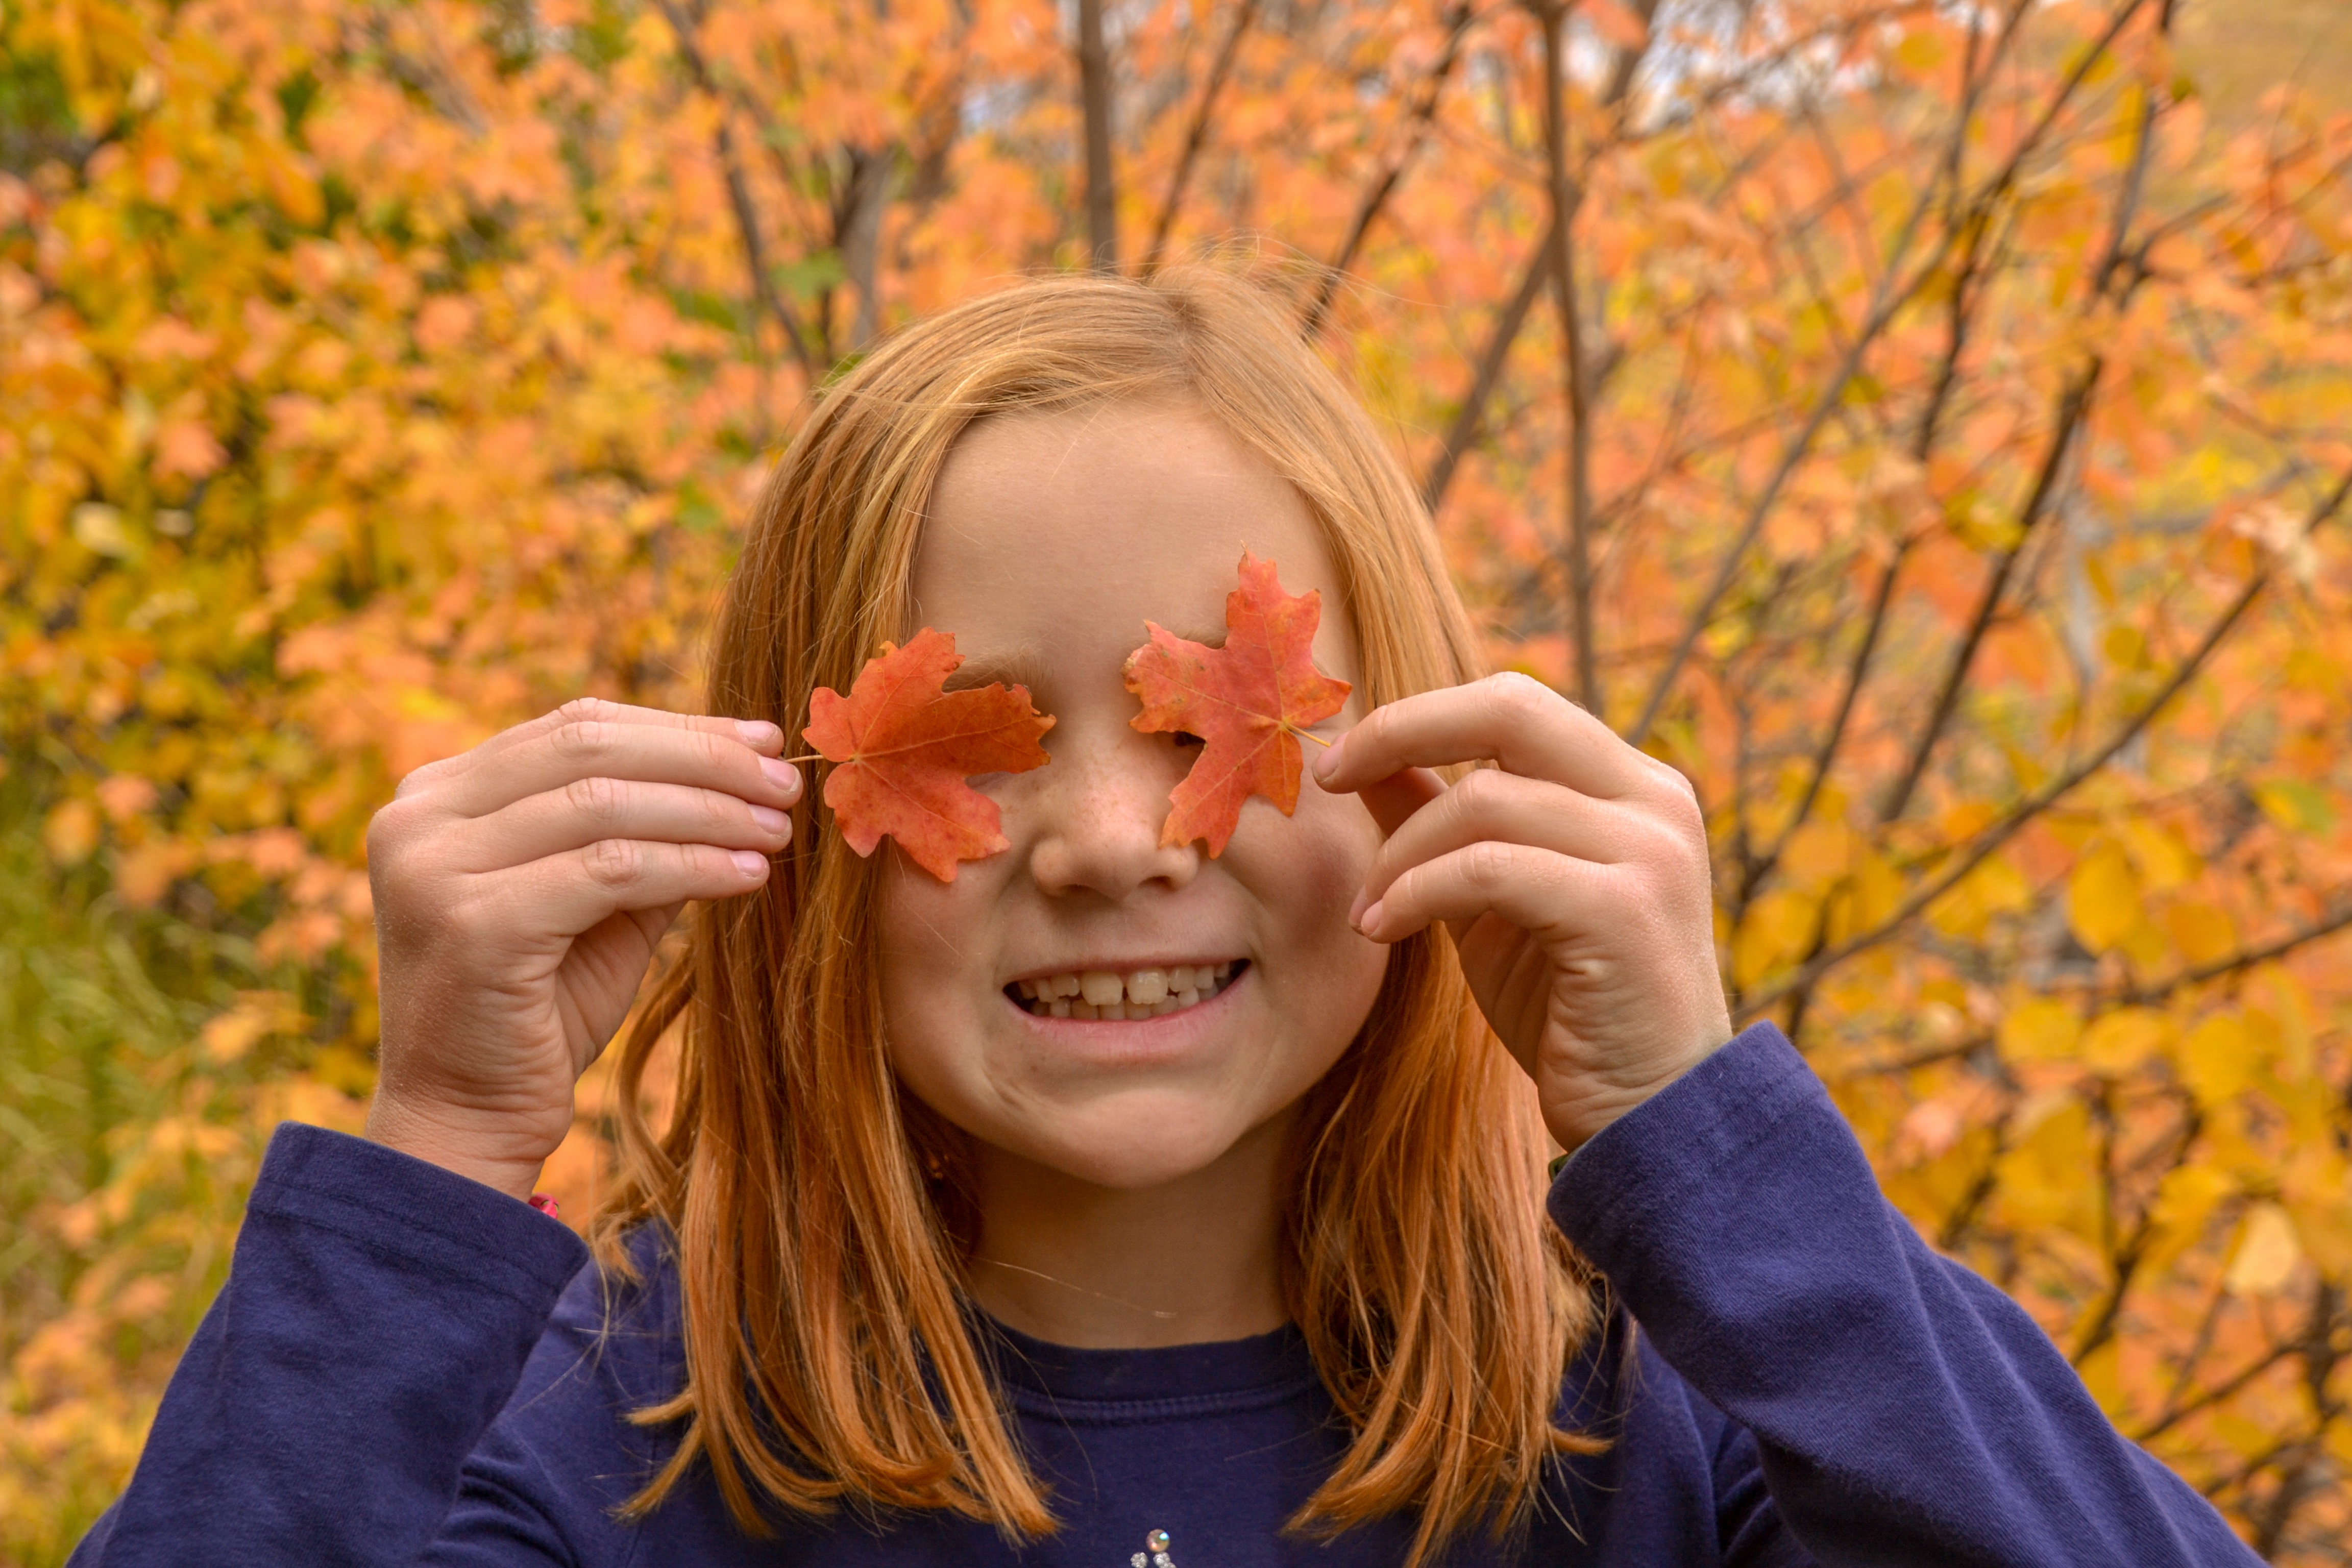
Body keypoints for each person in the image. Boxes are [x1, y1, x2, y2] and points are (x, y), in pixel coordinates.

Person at [71, 272, 2257, 1568]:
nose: (1113, 838)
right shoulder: (630, 1440)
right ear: (786, 807)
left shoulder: (1660, 1436)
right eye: (982, 734)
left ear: (1433, 757)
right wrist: (434, 1161)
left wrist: (1703, 1141)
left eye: (1220, 713)